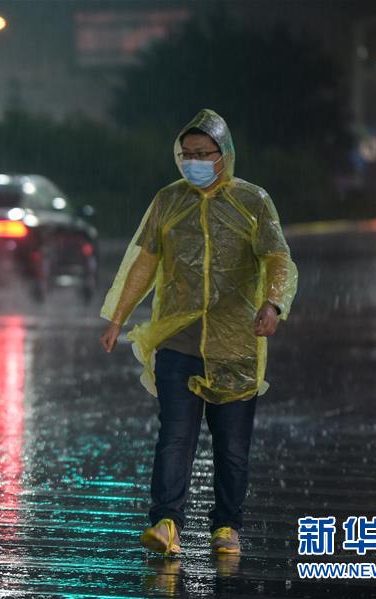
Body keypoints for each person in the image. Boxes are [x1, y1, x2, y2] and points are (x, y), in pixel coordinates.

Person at [98, 109, 298, 556]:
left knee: (231, 447)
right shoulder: (169, 201)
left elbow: (277, 259)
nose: (194, 162)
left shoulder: (253, 202)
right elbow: (143, 263)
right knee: (174, 436)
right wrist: (118, 317)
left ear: (224, 154)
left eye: (203, 154)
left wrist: (274, 302)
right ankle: (166, 522)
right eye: (186, 154)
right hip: (178, 338)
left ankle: (227, 527)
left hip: (235, 343)